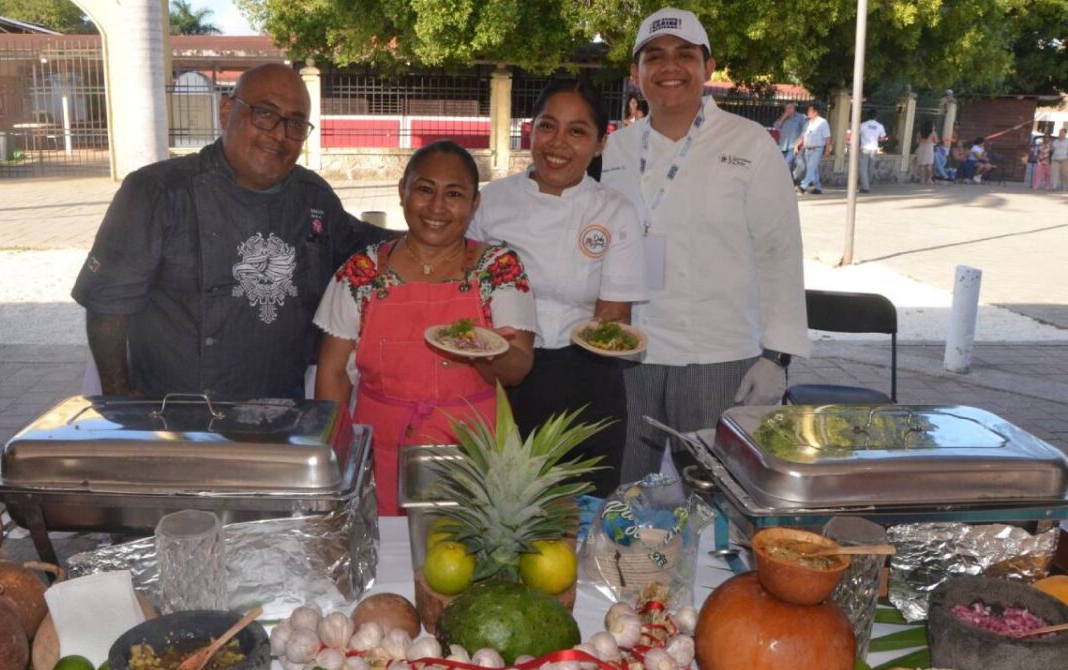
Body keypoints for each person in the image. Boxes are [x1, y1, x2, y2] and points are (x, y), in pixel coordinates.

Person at [72, 64, 388, 400]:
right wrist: (120, 398)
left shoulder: (313, 196)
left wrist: (435, 232)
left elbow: (362, 242)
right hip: (176, 417)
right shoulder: (157, 191)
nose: (279, 134)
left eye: (295, 124)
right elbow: (108, 306)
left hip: (281, 412)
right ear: (227, 112)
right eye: (265, 114)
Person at [601, 7, 811, 483]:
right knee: (626, 492)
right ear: (636, 74)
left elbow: (780, 252)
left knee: (717, 494)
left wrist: (776, 356)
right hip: (632, 353)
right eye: (653, 57)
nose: (669, 67)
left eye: (685, 55)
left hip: (718, 355)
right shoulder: (617, 148)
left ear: (708, 67)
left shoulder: (750, 142)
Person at [314, 140, 537, 515]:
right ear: (403, 191)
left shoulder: (499, 270)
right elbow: (333, 374)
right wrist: (334, 459)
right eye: (424, 190)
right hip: (380, 456)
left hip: (475, 457)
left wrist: (488, 352)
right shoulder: (362, 273)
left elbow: (518, 370)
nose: (436, 207)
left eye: (454, 194)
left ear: (474, 203)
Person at [469, 79, 647, 498]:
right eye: (548, 126)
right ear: (531, 129)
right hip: (499, 376)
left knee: (580, 521)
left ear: (600, 144)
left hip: (584, 383)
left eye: (577, 131)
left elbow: (614, 319)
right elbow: (464, 291)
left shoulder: (614, 212)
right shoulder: (492, 202)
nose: (558, 143)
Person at [795, 103, 832, 194]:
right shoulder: (808, 123)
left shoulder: (822, 122)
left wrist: (827, 149)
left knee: (811, 167)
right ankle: (818, 188)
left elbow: (827, 137)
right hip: (807, 148)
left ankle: (803, 186)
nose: (808, 112)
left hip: (817, 149)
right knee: (813, 169)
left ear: (815, 112)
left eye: (809, 111)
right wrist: (797, 145)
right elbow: (803, 136)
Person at [773, 102, 808, 174]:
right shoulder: (783, 117)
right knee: (786, 165)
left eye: (790, 108)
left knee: (787, 163)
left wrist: (801, 142)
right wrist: (783, 117)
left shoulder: (800, 117)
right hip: (783, 145)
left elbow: (805, 130)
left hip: (794, 145)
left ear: (794, 108)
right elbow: (776, 126)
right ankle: (790, 182)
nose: (788, 110)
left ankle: (787, 181)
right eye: (786, 108)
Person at [859, 109, 889, 192]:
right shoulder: (879, 126)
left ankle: (865, 187)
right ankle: (867, 184)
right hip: (874, 148)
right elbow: (882, 137)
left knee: (863, 168)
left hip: (865, 148)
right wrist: (878, 139)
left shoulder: (863, 125)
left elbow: (857, 134)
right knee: (870, 168)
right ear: (876, 116)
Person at [914, 120, 937, 186]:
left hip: (921, 148)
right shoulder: (933, 133)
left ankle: (922, 179)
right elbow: (936, 141)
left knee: (922, 165)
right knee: (929, 165)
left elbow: (917, 141)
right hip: (929, 148)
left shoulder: (920, 132)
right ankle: (929, 179)